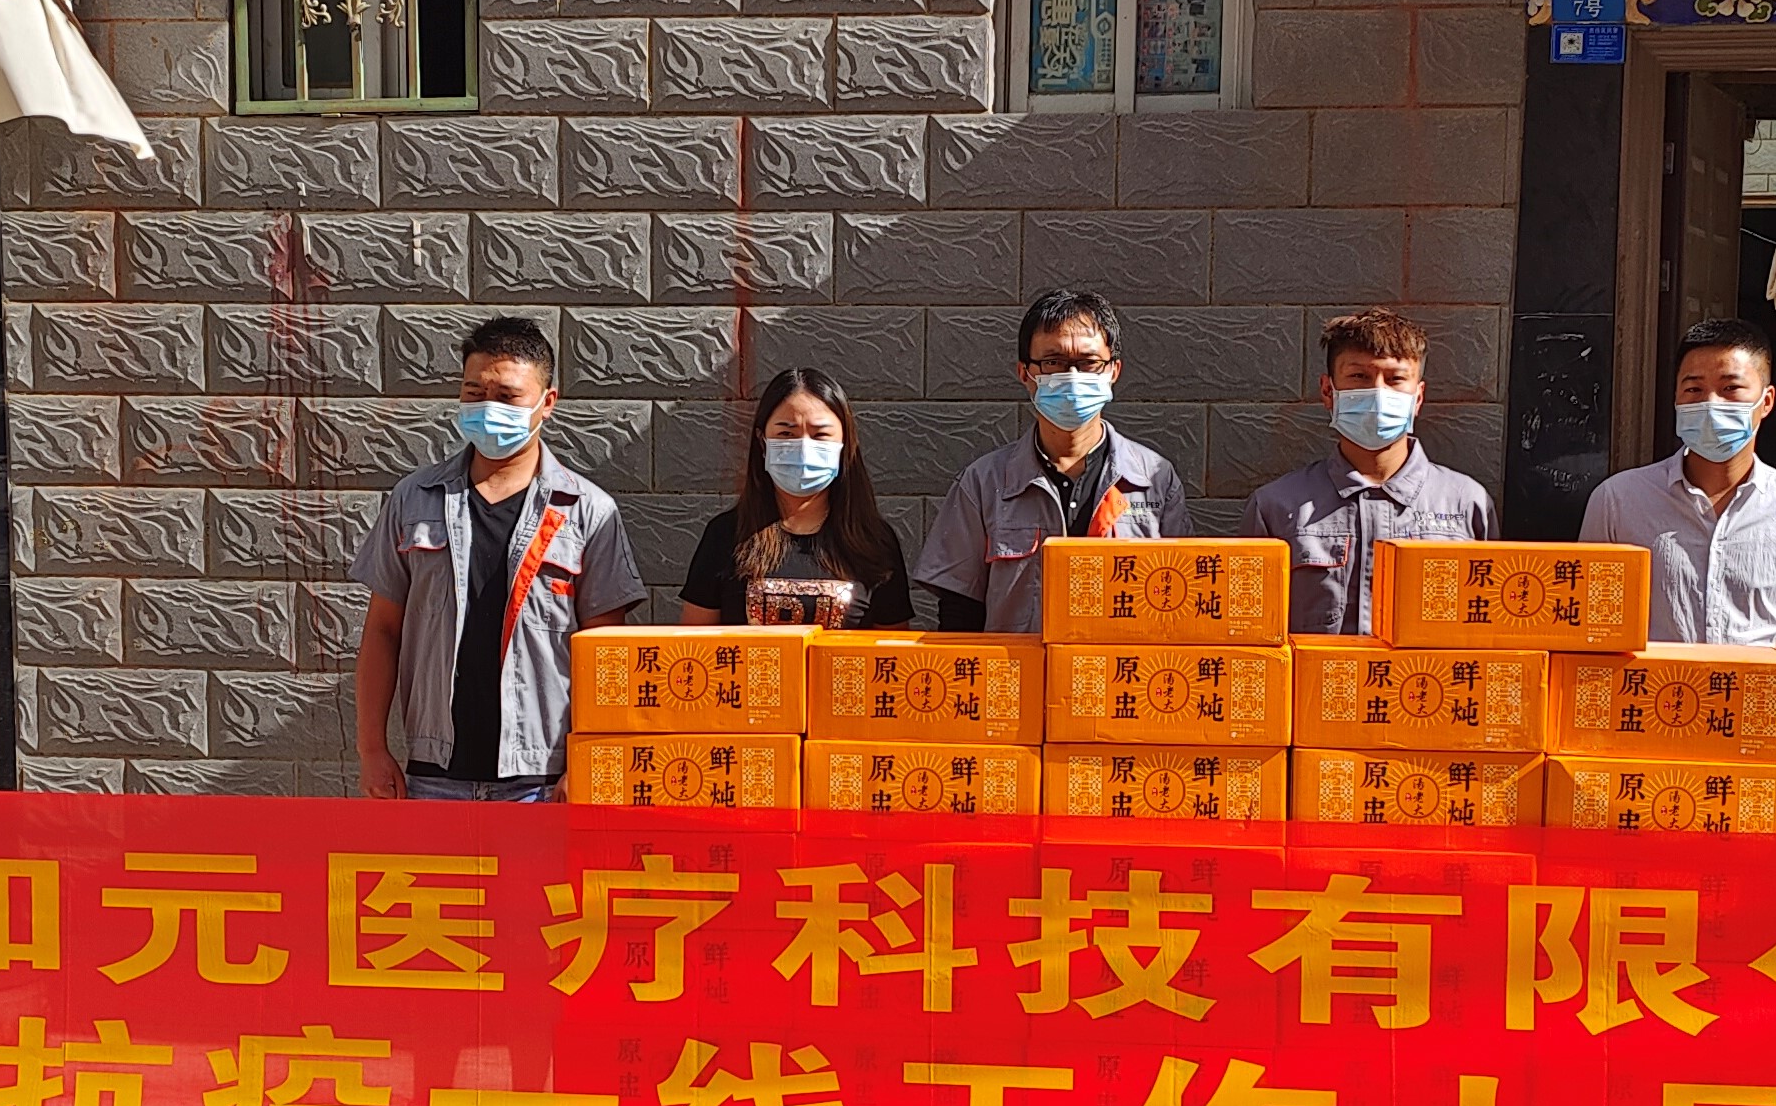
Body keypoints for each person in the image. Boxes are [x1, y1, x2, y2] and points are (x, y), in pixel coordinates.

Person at [353, 314, 644, 801]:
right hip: (434, 777)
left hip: (541, 781)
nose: (488, 408)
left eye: (507, 397)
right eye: (474, 392)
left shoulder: (587, 512)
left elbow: (607, 653)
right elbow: (382, 630)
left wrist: (590, 758)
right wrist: (371, 749)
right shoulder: (414, 499)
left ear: (547, 402)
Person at [917, 288, 1190, 635]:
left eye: (1088, 363)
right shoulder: (983, 483)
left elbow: (1180, 600)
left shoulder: (1155, 479)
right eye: (1053, 362)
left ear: (1113, 371)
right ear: (1025, 373)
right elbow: (959, 614)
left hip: (1122, 668)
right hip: (1017, 669)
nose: (1072, 376)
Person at [1578, 317, 1776, 644]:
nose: (1711, 403)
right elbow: (1590, 632)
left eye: (1730, 388)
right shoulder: (1618, 501)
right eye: (1694, 389)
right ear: (1676, 399)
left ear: (1766, 402)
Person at [1247, 307, 1495, 638]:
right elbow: (1250, 634)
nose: (1379, 393)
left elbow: (1487, 631)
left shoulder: (1467, 504)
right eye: (1359, 377)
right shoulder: (1276, 507)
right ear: (1328, 391)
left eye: (1395, 379)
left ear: (1418, 397)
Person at [678, 368, 915, 630]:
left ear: (845, 443)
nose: (803, 448)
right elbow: (694, 645)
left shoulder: (874, 541)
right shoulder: (724, 535)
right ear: (762, 442)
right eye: (786, 434)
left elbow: (892, 647)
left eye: (820, 435)